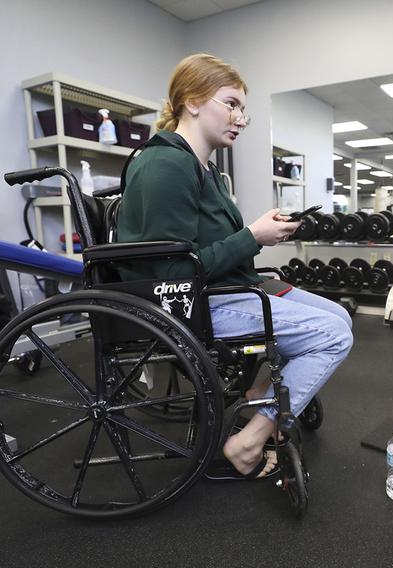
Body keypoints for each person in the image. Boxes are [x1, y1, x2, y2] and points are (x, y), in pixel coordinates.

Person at [116, 53, 354, 478]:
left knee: (338, 315)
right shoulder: (164, 165)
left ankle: (260, 394)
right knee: (332, 336)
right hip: (189, 304)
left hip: (226, 286)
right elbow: (170, 275)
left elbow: (208, 249)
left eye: (242, 107)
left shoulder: (203, 170)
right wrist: (252, 237)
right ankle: (250, 439)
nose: (240, 117)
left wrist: (263, 235)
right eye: (231, 103)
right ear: (191, 101)